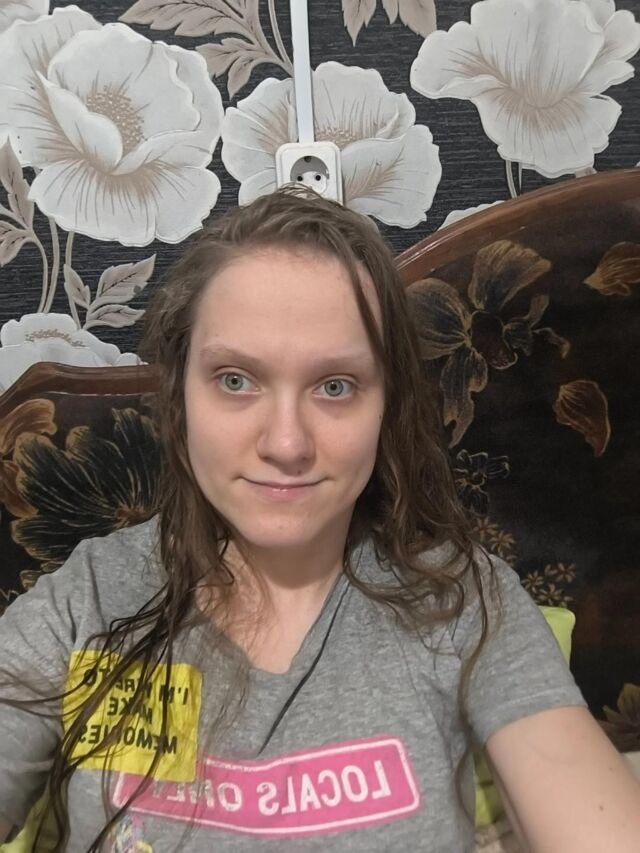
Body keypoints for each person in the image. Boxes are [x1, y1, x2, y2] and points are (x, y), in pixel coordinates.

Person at [0, 189, 638, 852]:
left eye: (335, 386)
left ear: (387, 406)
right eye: (235, 379)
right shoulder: (88, 599)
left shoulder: (462, 601)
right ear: (180, 396)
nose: (286, 443)